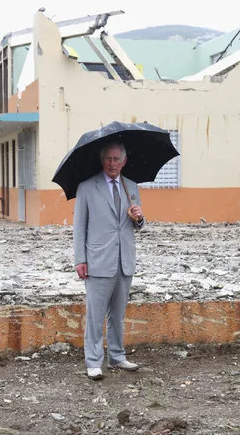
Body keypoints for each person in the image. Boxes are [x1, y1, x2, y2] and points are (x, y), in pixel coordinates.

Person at [73, 141, 145, 380]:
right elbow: (79, 227)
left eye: (117, 159)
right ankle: (93, 361)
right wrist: (80, 259)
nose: (113, 163)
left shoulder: (131, 186)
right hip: (97, 261)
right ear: (102, 161)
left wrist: (139, 218)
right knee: (96, 314)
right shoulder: (86, 187)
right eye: (109, 159)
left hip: (124, 260)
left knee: (118, 313)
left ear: (124, 162)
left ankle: (117, 356)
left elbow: (137, 225)